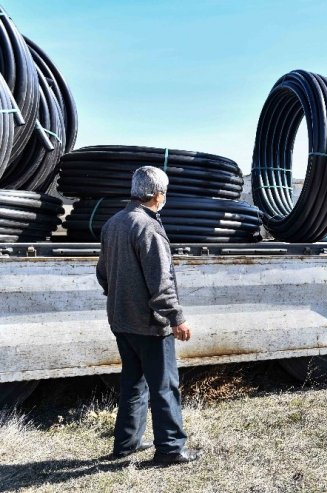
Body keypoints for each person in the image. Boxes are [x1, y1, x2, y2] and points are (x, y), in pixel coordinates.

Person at [96, 166, 202, 465]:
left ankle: (126, 444)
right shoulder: (149, 228)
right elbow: (161, 282)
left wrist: (120, 298)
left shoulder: (113, 223)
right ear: (158, 194)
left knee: (133, 384)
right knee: (164, 386)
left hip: (121, 321)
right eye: (164, 193)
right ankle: (170, 449)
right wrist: (176, 318)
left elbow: (102, 274)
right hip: (150, 324)